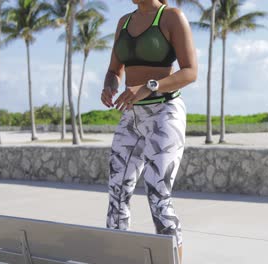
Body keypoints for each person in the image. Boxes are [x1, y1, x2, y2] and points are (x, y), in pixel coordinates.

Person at [101, 0, 197, 262]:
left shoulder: (171, 17)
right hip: (131, 115)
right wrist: (109, 86)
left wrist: (150, 85)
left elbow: (190, 72)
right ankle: (119, 257)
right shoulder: (124, 21)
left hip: (165, 112)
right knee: (117, 194)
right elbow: (114, 69)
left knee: (158, 195)